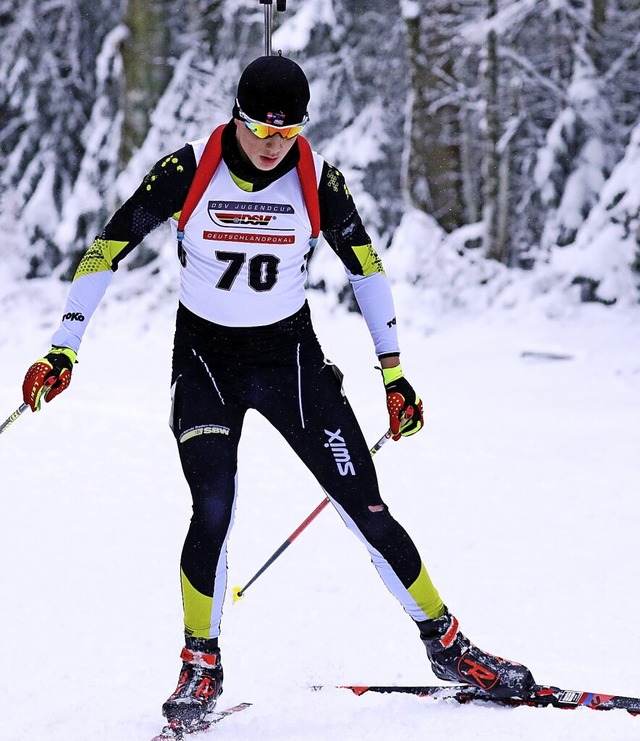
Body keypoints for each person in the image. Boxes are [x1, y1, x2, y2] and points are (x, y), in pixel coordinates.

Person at [22, 55, 535, 729]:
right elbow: (105, 248)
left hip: (290, 361)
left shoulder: (316, 181)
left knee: (368, 507)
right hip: (206, 363)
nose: (271, 143)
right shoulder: (188, 171)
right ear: (235, 117)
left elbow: (367, 268)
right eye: (260, 129)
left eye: (286, 132)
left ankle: (446, 644)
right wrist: (65, 345)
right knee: (213, 507)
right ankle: (200, 663)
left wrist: (394, 372)